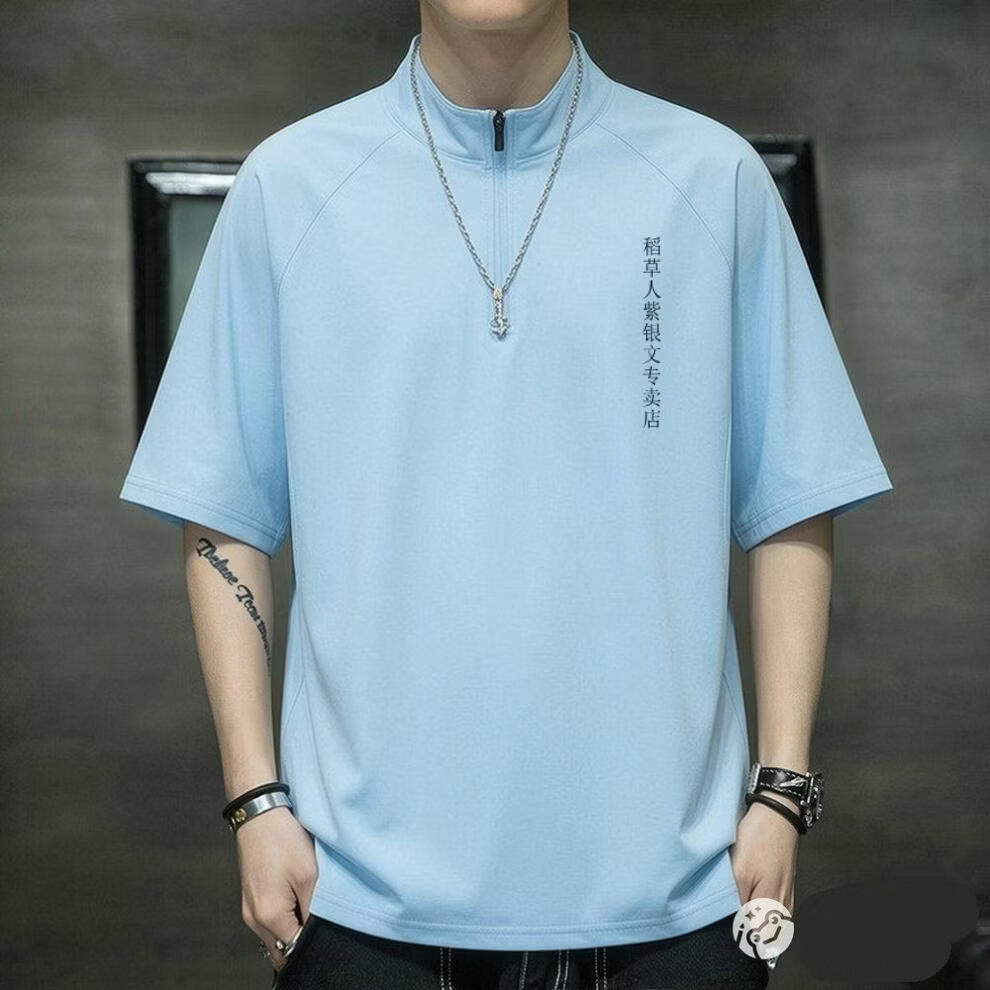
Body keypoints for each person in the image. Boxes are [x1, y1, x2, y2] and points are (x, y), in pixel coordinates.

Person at [119, 1, 894, 987]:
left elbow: (791, 499)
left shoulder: (713, 179)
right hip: (357, 896)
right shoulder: (290, 185)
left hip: (681, 892)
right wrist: (255, 803)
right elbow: (223, 518)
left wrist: (781, 793)